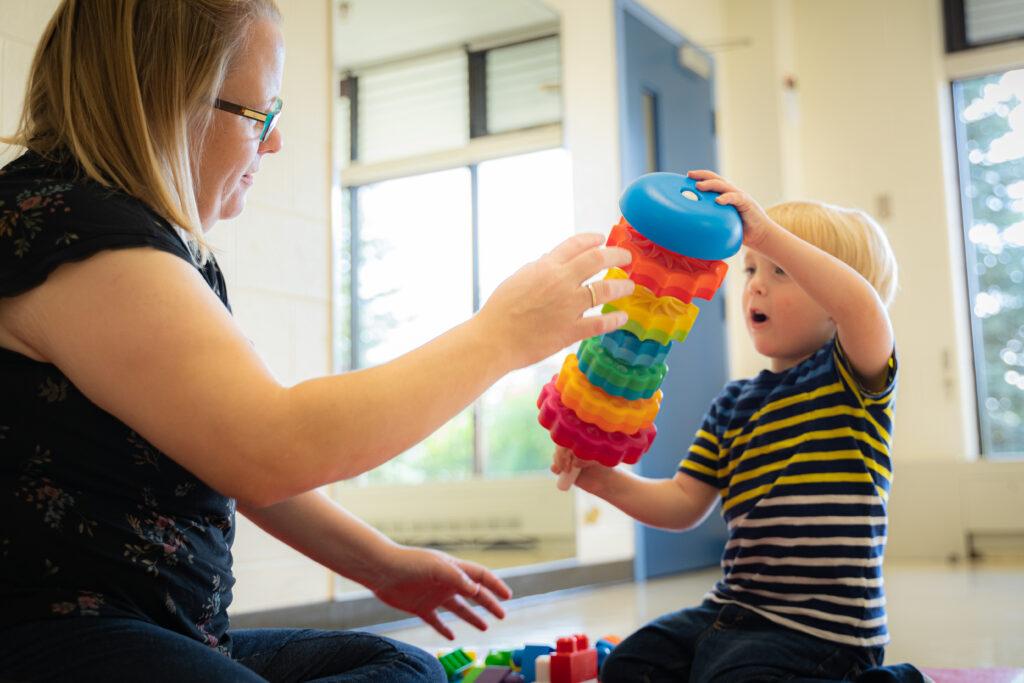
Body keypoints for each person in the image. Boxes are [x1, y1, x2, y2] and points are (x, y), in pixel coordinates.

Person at [0, 1, 635, 681]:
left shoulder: (138, 241)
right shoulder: (74, 230)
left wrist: (380, 563)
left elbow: (230, 454)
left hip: (165, 627)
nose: (272, 143)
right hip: (57, 636)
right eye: (260, 116)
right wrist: (500, 335)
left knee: (402, 666)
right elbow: (270, 445)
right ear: (170, 101)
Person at [553, 170, 928, 682]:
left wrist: (767, 233)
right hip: (730, 611)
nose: (755, 284)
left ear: (832, 301)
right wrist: (600, 479)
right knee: (629, 667)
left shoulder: (852, 381)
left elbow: (861, 306)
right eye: (751, 268)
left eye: (781, 272)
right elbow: (684, 503)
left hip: (821, 632)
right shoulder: (734, 403)